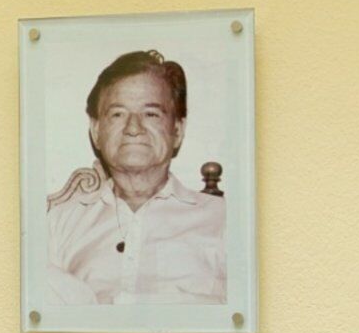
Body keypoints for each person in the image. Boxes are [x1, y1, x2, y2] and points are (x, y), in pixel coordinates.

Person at [44, 49, 228, 305]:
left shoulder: (225, 221)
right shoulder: (58, 225)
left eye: (151, 114)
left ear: (177, 130)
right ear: (96, 131)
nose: (133, 128)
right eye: (118, 114)